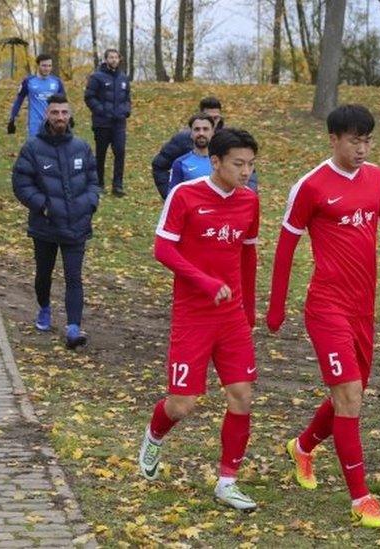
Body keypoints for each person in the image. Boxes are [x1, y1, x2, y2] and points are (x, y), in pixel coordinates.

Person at [267, 105, 380, 529]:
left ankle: (302, 447)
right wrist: (276, 307)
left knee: (349, 394)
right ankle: (361, 498)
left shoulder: (377, 178)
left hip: (364, 309)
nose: (362, 148)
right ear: (334, 139)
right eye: (354, 140)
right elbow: (285, 249)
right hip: (327, 307)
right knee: (351, 397)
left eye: (367, 140)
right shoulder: (312, 186)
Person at [137, 128, 261, 511]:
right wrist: (206, 283)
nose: (245, 172)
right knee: (183, 405)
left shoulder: (250, 202)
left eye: (251, 165)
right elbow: (163, 249)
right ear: (216, 161)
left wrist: (250, 310)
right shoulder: (185, 194)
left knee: (242, 395)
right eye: (238, 164)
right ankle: (154, 435)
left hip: (233, 317)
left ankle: (227, 482)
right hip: (193, 315)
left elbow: (248, 257)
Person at [12, 94, 99, 350]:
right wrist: (44, 206)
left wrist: (90, 203)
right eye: (55, 113)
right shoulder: (32, 148)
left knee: (74, 277)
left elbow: (94, 180)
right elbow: (21, 183)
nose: (60, 117)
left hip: (77, 224)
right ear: (46, 115)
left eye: (64, 112)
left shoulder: (82, 147)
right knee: (44, 274)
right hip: (45, 226)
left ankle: (73, 327)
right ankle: (44, 307)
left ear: (70, 115)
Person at [152, 96, 259, 199]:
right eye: (209, 117)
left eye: (216, 118)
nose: (213, 121)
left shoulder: (231, 140)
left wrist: (248, 194)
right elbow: (160, 165)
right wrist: (169, 196)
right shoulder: (182, 141)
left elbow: (248, 168)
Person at [84, 48, 130, 197]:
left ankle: (118, 186)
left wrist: (126, 110)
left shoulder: (123, 78)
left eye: (116, 57)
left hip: (119, 123)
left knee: (120, 152)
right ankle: (99, 184)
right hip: (102, 123)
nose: (114, 60)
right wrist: (101, 110)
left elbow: (127, 98)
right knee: (101, 154)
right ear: (105, 59)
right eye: (111, 57)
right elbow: (89, 97)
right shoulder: (97, 77)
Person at [7, 53, 66, 137]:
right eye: (44, 66)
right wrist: (12, 118)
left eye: (49, 66)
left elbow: (64, 102)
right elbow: (19, 100)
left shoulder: (57, 82)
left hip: (52, 122)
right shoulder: (28, 81)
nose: (47, 68)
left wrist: (69, 117)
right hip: (35, 124)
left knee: (52, 148)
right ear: (38, 65)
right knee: (35, 148)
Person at [167, 113, 215, 190]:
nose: (201, 133)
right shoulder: (180, 163)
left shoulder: (223, 161)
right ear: (191, 133)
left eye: (205, 129)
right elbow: (172, 195)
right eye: (197, 129)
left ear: (213, 132)